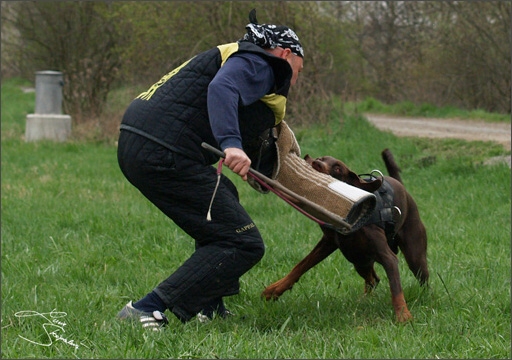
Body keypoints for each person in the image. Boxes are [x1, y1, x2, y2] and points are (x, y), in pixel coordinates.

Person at [116, 9, 304, 329]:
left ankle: (208, 305)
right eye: (301, 65)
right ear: (286, 54)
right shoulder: (262, 62)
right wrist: (231, 144)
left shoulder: (238, 56)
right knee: (242, 242)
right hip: (163, 151)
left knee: (222, 201)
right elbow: (222, 90)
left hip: (139, 142)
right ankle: (147, 309)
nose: (299, 74)